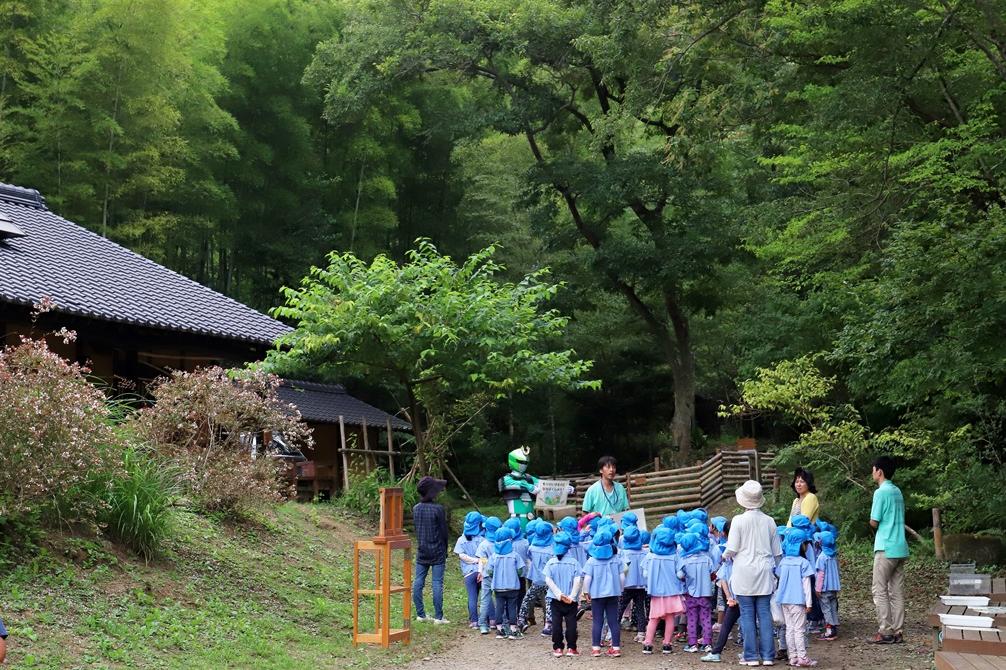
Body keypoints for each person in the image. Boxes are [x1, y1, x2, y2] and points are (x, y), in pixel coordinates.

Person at [723, 480, 782, 667]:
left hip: (743, 572)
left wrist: (723, 556)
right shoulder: (769, 521)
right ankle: (768, 656)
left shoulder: (738, 521)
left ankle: (750, 656)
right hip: (764, 570)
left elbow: (731, 549)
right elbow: (777, 552)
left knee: (747, 614)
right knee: (764, 614)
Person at [868, 455, 909, 644]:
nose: (872, 472)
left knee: (879, 589)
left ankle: (885, 630)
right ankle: (898, 630)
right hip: (901, 546)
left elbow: (874, 521)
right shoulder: (897, 491)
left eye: (874, 469)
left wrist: (873, 522)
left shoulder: (881, 492)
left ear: (880, 471)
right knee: (896, 591)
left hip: (885, 546)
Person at [775, 528, 817, 667]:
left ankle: (792, 657)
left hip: (784, 600)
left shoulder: (784, 561)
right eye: (805, 543)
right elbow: (806, 585)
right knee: (799, 630)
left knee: (790, 628)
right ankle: (803, 658)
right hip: (798, 601)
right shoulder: (803, 563)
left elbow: (780, 577)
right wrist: (809, 603)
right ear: (801, 545)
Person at [641, 525, 684, 655]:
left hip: (656, 592)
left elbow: (645, 574)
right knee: (670, 618)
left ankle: (648, 644)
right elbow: (680, 574)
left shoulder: (650, 556)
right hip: (672, 591)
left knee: (653, 618)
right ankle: (667, 644)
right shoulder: (675, 555)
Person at [581, 528, 625, 657]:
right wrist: (620, 589)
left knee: (597, 621)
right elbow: (622, 576)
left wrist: (585, 592)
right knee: (613, 621)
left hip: (597, 595)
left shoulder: (591, 561)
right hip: (613, 594)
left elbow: (587, 578)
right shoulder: (616, 559)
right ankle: (616, 648)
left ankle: (596, 648)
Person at [412, 475, 449, 624]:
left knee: (418, 582)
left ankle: (420, 614)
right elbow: (444, 532)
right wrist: (445, 549)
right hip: (438, 551)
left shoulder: (415, 509)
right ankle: (438, 617)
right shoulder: (438, 509)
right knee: (437, 583)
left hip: (422, 550)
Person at [544, 531, 583, 657]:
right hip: (571, 600)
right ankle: (572, 648)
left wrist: (559, 594)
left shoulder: (551, 562)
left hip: (556, 599)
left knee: (556, 623)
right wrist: (571, 596)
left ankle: (558, 648)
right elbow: (578, 580)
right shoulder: (574, 562)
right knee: (571, 623)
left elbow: (548, 580)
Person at [677, 532, 715, 653]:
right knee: (706, 618)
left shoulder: (684, 560)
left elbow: (680, 575)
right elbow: (713, 574)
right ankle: (707, 643)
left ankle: (692, 643)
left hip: (690, 593)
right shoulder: (707, 559)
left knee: (692, 618)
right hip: (705, 593)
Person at [485, 527, 525, 639]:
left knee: (499, 607)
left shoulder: (494, 556)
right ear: (510, 540)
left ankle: (500, 630)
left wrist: (496, 577)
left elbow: (489, 571)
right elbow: (520, 571)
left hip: (498, 587)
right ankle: (513, 630)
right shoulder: (515, 555)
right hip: (512, 587)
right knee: (512, 607)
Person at [701, 549, 738, 663]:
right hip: (744, 598)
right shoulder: (739, 562)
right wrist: (729, 598)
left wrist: (729, 598)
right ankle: (755, 653)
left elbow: (723, 581)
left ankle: (716, 652)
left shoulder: (727, 564)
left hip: (736, 599)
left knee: (726, 625)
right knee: (748, 625)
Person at [518, 520, 554, 635]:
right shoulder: (552, 549)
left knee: (528, 598)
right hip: (549, 580)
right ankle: (548, 625)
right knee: (549, 601)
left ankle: (521, 619)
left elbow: (530, 557)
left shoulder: (532, 547)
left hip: (536, 578)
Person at [618, 525, 648, 642]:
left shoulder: (623, 553)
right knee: (640, 608)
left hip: (626, 585)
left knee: (620, 608)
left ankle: (612, 632)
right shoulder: (645, 552)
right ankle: (641, 633)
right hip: (641, 585)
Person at [455, 511, 485, 628]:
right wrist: (479, 562)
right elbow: (485, 557)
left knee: (472, 597)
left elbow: (461, 556)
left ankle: (474, 621)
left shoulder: (461, 540)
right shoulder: (482, 540)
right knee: (486, 596)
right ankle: (491, 619)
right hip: (481, 572)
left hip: (468, 573)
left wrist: (472, 560)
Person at [477, 516, 503, 634]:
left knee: (485, 599)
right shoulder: (502, 543)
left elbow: (482, 560)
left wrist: (480, 572)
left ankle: (482, 624)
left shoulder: (484, 544)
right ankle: (501, 623)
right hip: (501, 575)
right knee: (501, 599)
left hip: (487, 575)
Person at [815, 530, 841, 640]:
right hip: (834, 588)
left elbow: (820, 574)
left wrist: (817, 589)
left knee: (826, 609)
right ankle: (834, 627)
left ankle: (829, 631)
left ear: (821, 543)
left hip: (824, 589)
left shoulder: (822, 557)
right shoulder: (834, 556)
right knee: (833, 607)